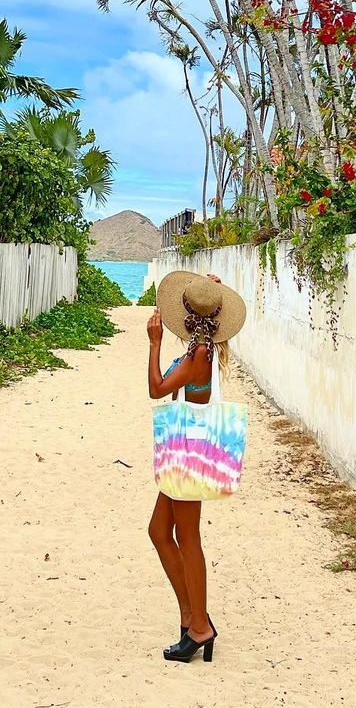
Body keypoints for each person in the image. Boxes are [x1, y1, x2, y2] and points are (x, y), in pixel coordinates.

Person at [146, 268, 246, 664]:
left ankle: (200, 626)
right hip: (183, 450)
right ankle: (190, 617)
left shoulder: (199, 355)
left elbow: (157, 388)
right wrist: (209, 290)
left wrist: (154, 343)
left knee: (187, 538)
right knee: (159, 531)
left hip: (189, 452)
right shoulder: (202, 347)